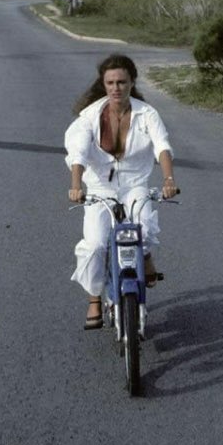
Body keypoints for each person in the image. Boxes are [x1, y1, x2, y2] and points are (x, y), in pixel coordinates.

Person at [64, 54, 178, 330]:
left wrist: (168, 179)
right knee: (95, 244)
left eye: (122, 82)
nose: (116, 88)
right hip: (100, 187)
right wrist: (76, 186)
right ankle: (94, 298)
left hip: (135, 183)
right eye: (111, 82)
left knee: (146, 230)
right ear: (103, 84)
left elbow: (162, 145)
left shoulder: (147, 114)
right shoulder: (89, 117)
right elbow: (78, 152)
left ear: (131, 82)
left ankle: (146, 257)